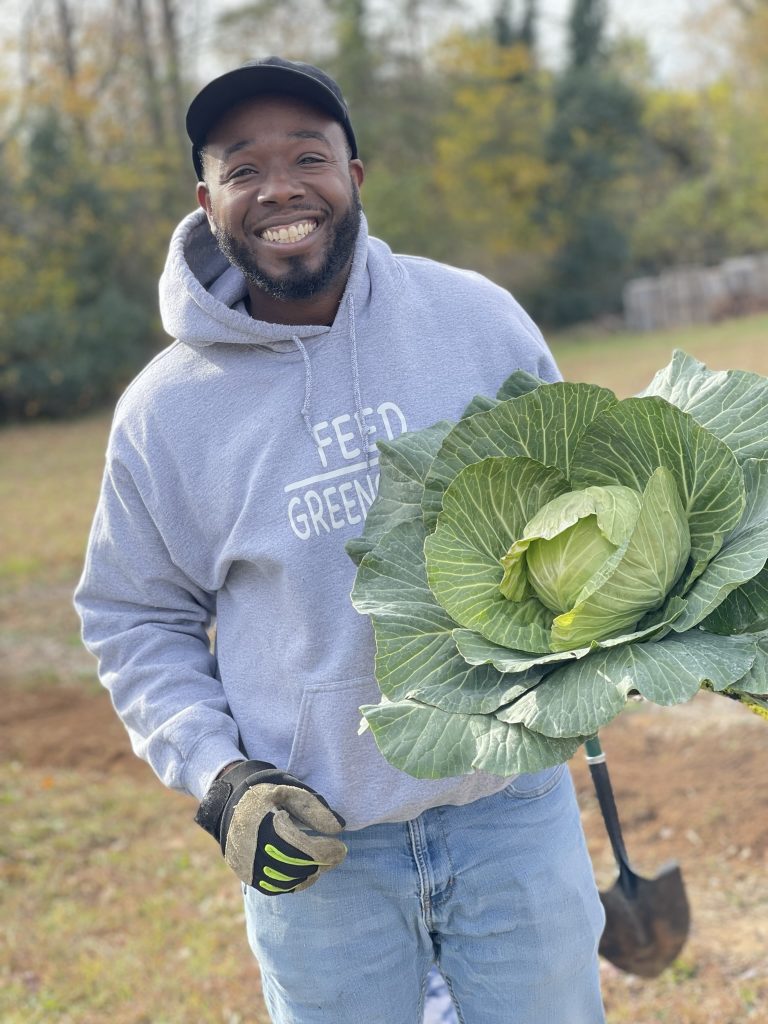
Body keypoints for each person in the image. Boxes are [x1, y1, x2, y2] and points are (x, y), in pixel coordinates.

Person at [75, 56, 606, 1023]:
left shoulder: (477, 322)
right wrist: (222, 778)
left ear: (354, 177)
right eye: (244, 169)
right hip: (319, 850)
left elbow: (585, 504)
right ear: (207, 201)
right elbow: (132, 617)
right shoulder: (165, 416)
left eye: (307, 157)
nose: (280, 189)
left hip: (510, 809)